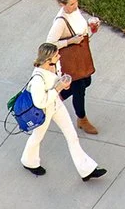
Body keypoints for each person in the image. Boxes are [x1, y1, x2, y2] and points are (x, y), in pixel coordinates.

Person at [20, 43, 105, 180]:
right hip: (44, 111)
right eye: (56, 55)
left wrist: (63, 83)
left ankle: (86, 170)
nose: (59, 56)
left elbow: (57, 82)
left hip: (56, 105)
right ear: (48, 59)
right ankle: (29, 161)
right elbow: (40, 102)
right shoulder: (37, 79)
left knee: (72, 136)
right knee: (37, 137)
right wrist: (58, 88)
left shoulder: (54, 66)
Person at [48, 0, 101, 135]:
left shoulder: (75, 12)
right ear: (62, 4)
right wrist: (70, 41)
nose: (75, 6)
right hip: (71, 61)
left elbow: (82, 31)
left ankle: (54, 98)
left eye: (76, 2)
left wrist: (92, 28)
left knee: (86, 81)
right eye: (71, 4)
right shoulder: (60, 22)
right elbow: (50, 44)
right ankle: (82, 119)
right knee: (79, 89)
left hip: (81, 55)